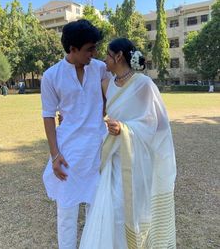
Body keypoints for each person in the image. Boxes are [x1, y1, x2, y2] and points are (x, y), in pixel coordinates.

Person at [79, 38, 177, 249]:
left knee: (133, 209)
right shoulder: (107, 85)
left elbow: (158, 125)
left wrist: (125, 129)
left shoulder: (144, 85)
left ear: (118, 56)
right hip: (113, 160)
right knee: (112, 209)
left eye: (107, 54)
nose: (103, 58)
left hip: (137, 160)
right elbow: (95, 112)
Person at [41, 19, 111, 249]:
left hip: (96, 148)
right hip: (68, 151)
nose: (95, 52)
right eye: (89, 48)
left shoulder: (100, 67)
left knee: (96, 210)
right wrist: (54, 155)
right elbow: (48, 115)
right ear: (72, 49)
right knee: (67, 211)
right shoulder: (52, 76)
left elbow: (111, 96)